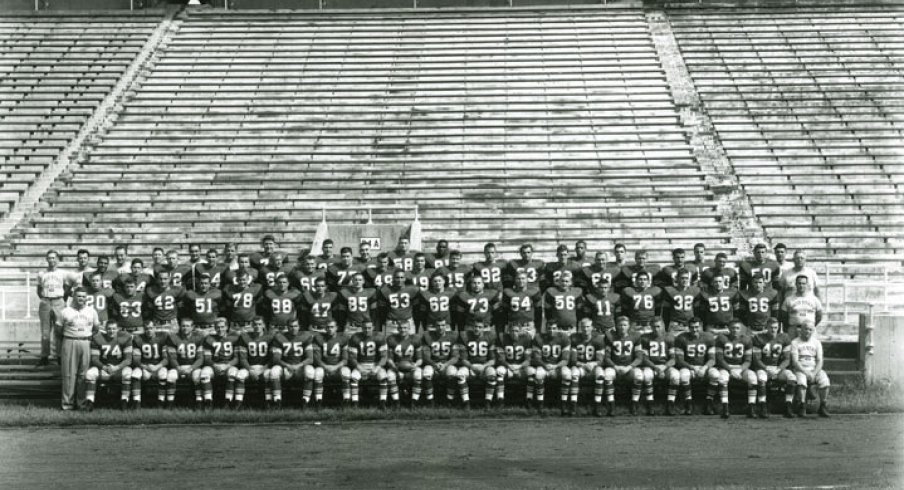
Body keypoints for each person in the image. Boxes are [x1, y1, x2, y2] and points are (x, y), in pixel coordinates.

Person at [58, 287, 101, 410]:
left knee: (83, 374)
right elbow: (58, 330)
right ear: (74, 297)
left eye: (83, 296)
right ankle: (67, 404)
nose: (81, 298)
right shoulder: (66, 311)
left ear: (86, 298)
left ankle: (81, 403)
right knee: (69, 375)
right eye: (78, 296)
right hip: (70, 341)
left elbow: (96, 328)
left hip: (86, 342)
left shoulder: (91, 311)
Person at [37, 249, 79, 366]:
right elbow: (38, 290)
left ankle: (60, 356)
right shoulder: (42, 274)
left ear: (58, 260)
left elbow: (76, 280)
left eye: (54, 258)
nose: (52, 260)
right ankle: (45, 356)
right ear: (46, 259)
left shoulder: (63, 273)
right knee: (45, 331)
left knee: (59, 330)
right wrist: (45, 298)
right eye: (49, 258)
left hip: (58, 301)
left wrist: (64, 295)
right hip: (45, 301)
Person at [84, 320, 133, 411]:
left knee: (128, 373)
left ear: (118, 329)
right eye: (109, 329)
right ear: (105, 329)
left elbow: (128, 359)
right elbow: (94, 359)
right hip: (103, 368)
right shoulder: (97, 338)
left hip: (119, 368)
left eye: (114, 329)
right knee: (90, 373)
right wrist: (104, 367)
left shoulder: (125, 337)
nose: (111, 331)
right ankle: (90, 401)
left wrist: (117, 367)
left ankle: (124, 400)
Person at [673, 317, 719, 415]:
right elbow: (679, 360)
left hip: (704, 367)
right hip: (688, 366)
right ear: (688, 328)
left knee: (715, 375)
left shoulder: (708, 337)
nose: (695, 330)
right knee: (683, 375)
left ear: (701, 327)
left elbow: (712, 359)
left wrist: (704, 368)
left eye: (697, 327)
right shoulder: (681, 338)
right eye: (692, 327)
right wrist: (692, 367)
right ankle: (688, 403)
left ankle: (709, 402)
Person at [751, 318, 796, 418]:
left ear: (778, 327)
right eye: (771, 327)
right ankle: (763, 406)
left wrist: (778, 369)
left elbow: (787, 359)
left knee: (792, 378)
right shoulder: (758, 338)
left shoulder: (784, 338)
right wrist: (767, 368)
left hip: (777, 368)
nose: (773, 330)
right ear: (766, 327)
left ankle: (788, 406)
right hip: (763, 368)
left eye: (775, 327)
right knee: (761, 379)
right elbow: (756, 359)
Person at [714, 320, 756, 419]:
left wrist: (740, 369)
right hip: (725, 367)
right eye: (733, 328)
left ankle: (751, 407)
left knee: (753, 379)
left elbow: (748, 360)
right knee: (723, 379)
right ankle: (725, 408)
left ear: (741, 329)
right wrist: (730, 370)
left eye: (737, 328)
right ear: (728, 329)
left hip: (740, 367)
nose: (735, 330)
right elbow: (720, 359)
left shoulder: (747, 340)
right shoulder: (721, 338)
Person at [604, 316, 643, 416]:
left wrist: (629, 367)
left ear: (629, 326)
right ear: (616, 326)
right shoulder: (610, 336)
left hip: (629, 367)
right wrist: (615, 366)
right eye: (620, 325)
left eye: (625, 325)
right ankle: (611, 405)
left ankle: (634, 404)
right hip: (614, 367)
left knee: (639, 375)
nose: (622, 327)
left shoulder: (636, 336)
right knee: (607, 375)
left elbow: (639, 357)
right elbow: (607, 357)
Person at [639, 317, 678, 416]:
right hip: (651, 366)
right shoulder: (645, 338)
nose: (656, 329)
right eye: (654, 327)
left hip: (665, 366)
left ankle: (670, 403)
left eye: (658, 326)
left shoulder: (669, 338)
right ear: (651, 327)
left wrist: (664, 367)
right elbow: (644, 358)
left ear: (663, 326)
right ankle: (650, 403)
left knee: (676, 376)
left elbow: (673, 359)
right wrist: (655, 367)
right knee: (647, 375)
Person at [790, 322, 830, 417]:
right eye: (806, 329)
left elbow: (820, 360)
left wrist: (814, 373)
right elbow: (795, 362)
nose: (808, 331)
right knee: (801, 381)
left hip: (814, 369)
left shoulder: (817, 343)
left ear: (813, 331)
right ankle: (802, 405)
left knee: (825, 380)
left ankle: (823, 406)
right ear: (801, 330)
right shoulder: (795, 342)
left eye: (810, 329)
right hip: (801, 369)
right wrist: (805, 372)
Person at [531, 324, 572, 415]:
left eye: (554, 328)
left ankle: (564, 404)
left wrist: (556, 366)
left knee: (567, 375)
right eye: (549, 328)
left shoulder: (564, 338)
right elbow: (537, 358)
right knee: (538, 375)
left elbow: (565, 359)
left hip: (558, 365)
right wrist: (545, 365)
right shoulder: (538, 338)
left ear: (557, 329)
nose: (551, 330)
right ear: (545, 329)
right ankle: (540, 405)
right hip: (544, 365)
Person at [570, 318, 607, 416]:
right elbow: (573, 360)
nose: (585, 329)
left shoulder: (598, 339)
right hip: (580, 365)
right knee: (574, 374)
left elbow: (601, 360)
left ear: (592, 328)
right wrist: (583, 365)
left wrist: (593, 364)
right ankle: (573, 405)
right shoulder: (574, 338)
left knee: (600, 375)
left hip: (593, 366)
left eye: (587, 327)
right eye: (583, 327)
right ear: (580, 328)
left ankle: (597, 405)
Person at [348, 321, 390, 408]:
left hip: (375, 364)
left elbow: (384, 357)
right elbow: (352, 357)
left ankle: (383, 402)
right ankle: (355, 403)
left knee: (383, 377)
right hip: (361, 364)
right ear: (361, 328)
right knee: (354, 377)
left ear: (373, 327)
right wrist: (360, 368)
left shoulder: (379, 337)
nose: (367, 330)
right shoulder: (355, 337)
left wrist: (377, 368)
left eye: (369, 328)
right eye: (365, 328)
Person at [456, 322, 497, 409]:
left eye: (480, 327)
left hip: (484, 366)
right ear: (472, 327)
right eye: (475, 326)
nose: (477, 329)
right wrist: (471, 367)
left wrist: (484, 366)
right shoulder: (465, 337)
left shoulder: (489, 338)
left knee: (492, 375)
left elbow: (493, 360)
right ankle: (466, 402)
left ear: (483, 328)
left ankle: (487, 402)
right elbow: (463, 360)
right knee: (460, 374)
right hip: (470, 366)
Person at [131, 321, 170, 409]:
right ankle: (136, 402)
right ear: (144, 329)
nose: (149, 330)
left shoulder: (162, 337)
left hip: (158, 366)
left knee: (163, 374)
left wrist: (157, 366)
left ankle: (161, 401)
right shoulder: (138, 339)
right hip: (144, 366)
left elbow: (166, 359)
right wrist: (145, 367)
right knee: (135, 375)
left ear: (155, 328)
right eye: (147, 328)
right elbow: (136, 359)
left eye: (151, 328)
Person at [235, 317, 273, 409]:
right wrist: (250, 370)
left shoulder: (270, 337)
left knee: (269, 375)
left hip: (264, 367)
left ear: (263, 325)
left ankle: (268, 402)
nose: (257, 326)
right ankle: (238, 403)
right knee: (240, 375)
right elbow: (242, 358)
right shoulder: (245, 337)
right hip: (249, 366)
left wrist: (264, 368)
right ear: (252, 325)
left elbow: (273, 358)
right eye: (255, 324)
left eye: (260, 324)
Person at [314, 320, 351, 406]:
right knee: (317, 373)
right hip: (324, 366)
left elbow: (345, 359)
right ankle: (318, 401)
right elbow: (317, 359)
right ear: (325, 328)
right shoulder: (319, 338)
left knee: (346, 372)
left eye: (332, 327)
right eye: (328, 327)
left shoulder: (343, 338)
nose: (330, 329)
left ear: (336, 328)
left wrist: (336, 367)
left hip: (338, 367)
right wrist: (325, 366)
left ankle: (346, 400)